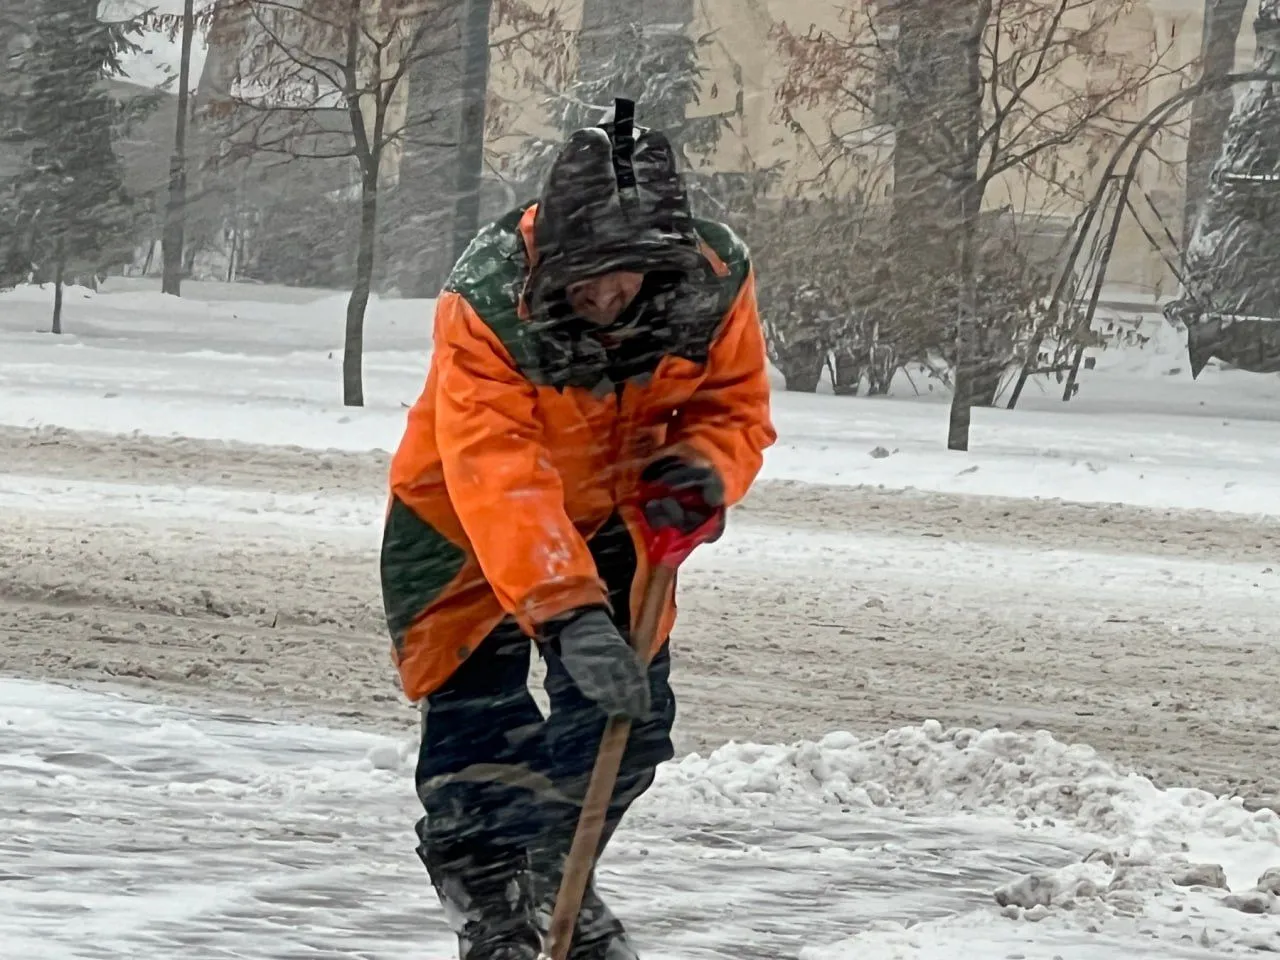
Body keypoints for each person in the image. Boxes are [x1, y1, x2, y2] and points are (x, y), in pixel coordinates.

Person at [379, 98, 776, 960]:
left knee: (626, 722)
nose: (603, 294)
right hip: (460, 515)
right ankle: (494, 913)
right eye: (584, 275)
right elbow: (498, 466)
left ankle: (562, 880)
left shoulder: (713, 279)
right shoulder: (488, 298)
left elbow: (733, 405)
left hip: (621, 506)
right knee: (481, 735)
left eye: (624, 274)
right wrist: (564, 610)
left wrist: (704, 469)